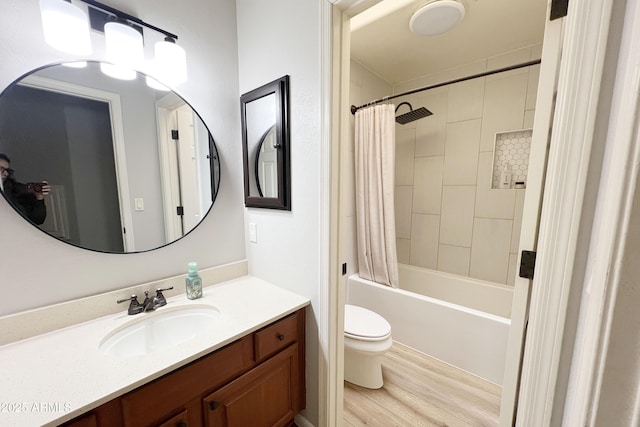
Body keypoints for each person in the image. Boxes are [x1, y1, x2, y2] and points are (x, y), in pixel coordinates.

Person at [0, 153, 50, 225]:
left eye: (7, 170)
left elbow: (38, 220)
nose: (6, 174)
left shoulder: (16, 190)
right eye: (1, 169)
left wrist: (39, 197)